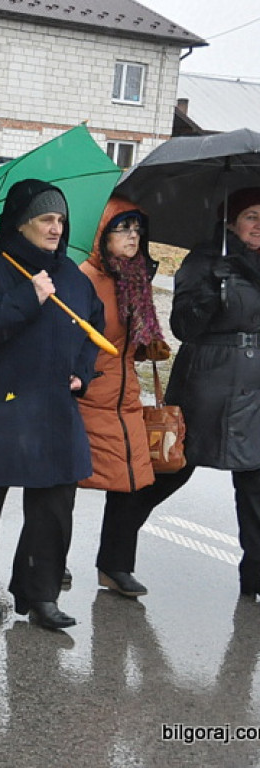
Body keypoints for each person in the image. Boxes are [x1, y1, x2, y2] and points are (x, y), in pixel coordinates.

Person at [0, 179, 103, 630]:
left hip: (53, 406)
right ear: (22, 223)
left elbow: (93, 324)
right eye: (45, 219)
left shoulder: (72, 277)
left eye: (60, 219)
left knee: (55, 501)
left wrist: (83, 369)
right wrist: (26, 297)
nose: (56, 228)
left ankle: (40, 595)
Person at [77, 196, 174, 599]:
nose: (133, 237)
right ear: (103, 235)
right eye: (122, 228)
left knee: (130, 482)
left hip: (125, 396)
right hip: (85, 394)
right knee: (63, 484)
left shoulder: (134, 277)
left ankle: (115, 567)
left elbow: (133, 340)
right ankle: (45, 561)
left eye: (137, 229)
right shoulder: (82, 278)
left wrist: (150, 345)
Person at [166, 187, 260, 599]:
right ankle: (116, 552)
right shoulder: (203, 261)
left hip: (255, 386)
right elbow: (183, 327)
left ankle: (254, 578)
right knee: (171, 468)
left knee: (256, 486)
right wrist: (210, 292)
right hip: (209, 384)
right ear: (230, 222)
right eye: (252, 216)